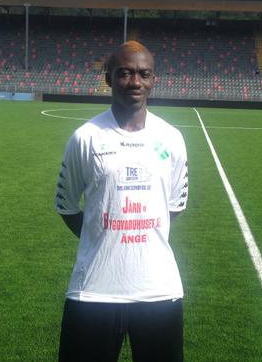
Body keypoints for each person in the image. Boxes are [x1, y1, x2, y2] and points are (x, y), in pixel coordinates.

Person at [54, 40, 189, 362]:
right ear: (108, 79)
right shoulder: (85, 138)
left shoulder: (171, 138)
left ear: (154, 79)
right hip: (93, 291)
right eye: (125, 73)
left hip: (158, 290)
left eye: (144, 74)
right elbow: (67, 205)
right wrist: (102, 236)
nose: (135, 82)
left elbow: (173, 208)